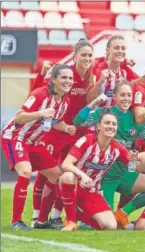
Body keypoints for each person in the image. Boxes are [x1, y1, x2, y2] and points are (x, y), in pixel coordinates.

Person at [73, 81, 145, 229]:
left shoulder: (135, 120)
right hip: (104, 176)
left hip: (124, 173)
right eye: (122, 95)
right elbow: (79, 121)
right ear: (114, 96)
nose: (126, 98)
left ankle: (123, 213)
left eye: (129, 95)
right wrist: (93, 104)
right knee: (106, 225)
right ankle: (79, 216)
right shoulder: (103, 114)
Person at [30, 39, 95, 228]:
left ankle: (56, 216)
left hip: (75, 132)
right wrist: (42, 73)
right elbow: (40, 90)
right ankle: (37, 216)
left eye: (90, 55)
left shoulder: (92, 74)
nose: (87, 58)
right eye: (83, 54)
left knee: (65, 173)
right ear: (74, 56)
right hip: (56, 130)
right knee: (46, 174)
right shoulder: (66, 74)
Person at [60, 108, 145, 231]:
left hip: (92, 192)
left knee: (111, 226)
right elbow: (66, 164)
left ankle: (79, 214)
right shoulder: (86, 140)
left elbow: (139, 168)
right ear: (98, 126)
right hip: (75, 186)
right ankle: (71, 221)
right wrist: (83, 176)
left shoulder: (117, 148)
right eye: (107, 123)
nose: (111, 126)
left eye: (114, 124)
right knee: (67, 176)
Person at [1, 64, 73, 230]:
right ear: (53, 80)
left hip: (34, 143)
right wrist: (41, 113)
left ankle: (41, 221)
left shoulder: (65, 102)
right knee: (26, 171)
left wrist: (66, 128)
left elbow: (54, 122)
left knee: (57, 175)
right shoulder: (40, 94)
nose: (67, 81)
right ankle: (16, 222)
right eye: (63, 77)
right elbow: (19, 117)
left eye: (70, 78)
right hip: (15, 137)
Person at [87, 35, 139, 106]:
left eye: (123, 48)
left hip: (117, 115)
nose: (120, 51)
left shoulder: (125, 71)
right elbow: (88, 101)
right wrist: (99, 83)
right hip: (99, 115)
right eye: (116, 48)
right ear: (108, 51)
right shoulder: (98, 70)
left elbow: (140, 82)